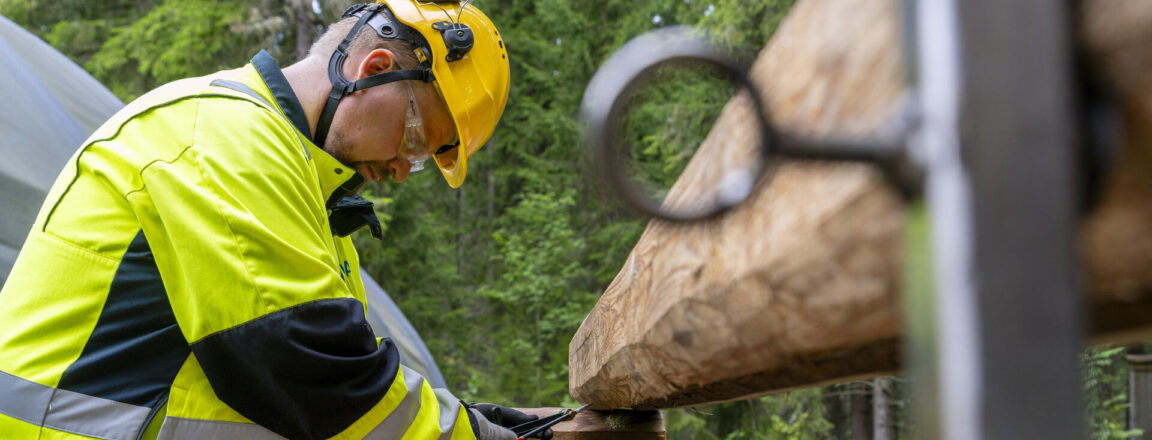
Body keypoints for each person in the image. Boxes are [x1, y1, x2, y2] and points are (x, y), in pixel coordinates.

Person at [0, 1, 548, 439]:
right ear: (374, 71)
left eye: (423, 158)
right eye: (413, 138)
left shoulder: (301, 190)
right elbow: (317, 379)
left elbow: (340, 371)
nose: (404, 169)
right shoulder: (221, 140)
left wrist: (477, 418)